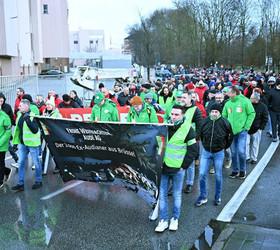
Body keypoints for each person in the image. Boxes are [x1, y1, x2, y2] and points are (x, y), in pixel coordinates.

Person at [155, 105, 198, 232]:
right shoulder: (163, 127)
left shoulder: (188, 129)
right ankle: (163, 220)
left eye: (176, 114)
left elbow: (193, 150)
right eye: (172, 114)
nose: (173, 117)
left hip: (178, 169)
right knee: (162, 195)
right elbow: (157, 145)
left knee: (176, 195)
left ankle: (175, 219)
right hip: (163, 167)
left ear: (183, 115)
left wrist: (183, 166)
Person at [195, 103, 233, 207]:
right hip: (206, 152)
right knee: (202, 174)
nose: (214, 113)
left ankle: (218, 197)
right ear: (210, 112)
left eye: (216, 112)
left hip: (218, 153)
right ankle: (203, 196)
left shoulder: (225, 123)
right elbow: (200, 134)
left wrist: (224, 147)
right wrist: (205, 143)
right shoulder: (205, 121)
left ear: (220, 113)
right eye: (212, 111)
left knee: (218, 176)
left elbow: (230, 137)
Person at [222, 86, 256, 179]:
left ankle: (242, 170)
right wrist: (225, 128)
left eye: (228, 92)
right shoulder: (228, 103)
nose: (226, 93)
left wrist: (246, 127)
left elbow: (252, 113)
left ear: (234, 93)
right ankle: (235, 170)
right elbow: (224, 116)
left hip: (242, 131)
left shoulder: (245, 101)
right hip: (231, 132)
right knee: (233, 152)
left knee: (241, 151)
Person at [11, 99, 43, 191]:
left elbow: (35, 130)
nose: (18, 107)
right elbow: (18, 131)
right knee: (20, 163)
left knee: (36, 163)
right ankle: (20, 183)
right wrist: (15, 144)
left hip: (32, 144)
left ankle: (38, 181)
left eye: (20, 106)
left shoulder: (33, 115)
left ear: (26, 106)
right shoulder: (19, 115)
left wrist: (28, 120)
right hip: (22, 144)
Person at [181, 91, 203, 193]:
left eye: (184, 97)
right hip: (178, 139)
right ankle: (176, 184)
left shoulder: (196, 110)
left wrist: (195, 139)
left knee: (190, 163)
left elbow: (199, 126)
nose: (182, 99)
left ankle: (189, 183)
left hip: (190, 139)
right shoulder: (178, 108)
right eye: (181, 97)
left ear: (190, 99)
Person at [246, 93, 268, 164]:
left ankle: (254, 158)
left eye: (251, 98)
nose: (250, 99)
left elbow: (265, 118)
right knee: (246, 143)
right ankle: (247, 157)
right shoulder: (248, 104)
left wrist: (261, 127)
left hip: (257, 128)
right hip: (247, 127)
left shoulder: (263, 106)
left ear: (256, 99)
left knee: (255, 144)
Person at [0, 109, 12, 188]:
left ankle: (0, 181)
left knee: (0, 163)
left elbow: (8, 132)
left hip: (1, 145)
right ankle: (7, 171)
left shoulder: (5, 117)